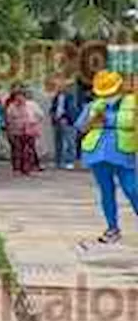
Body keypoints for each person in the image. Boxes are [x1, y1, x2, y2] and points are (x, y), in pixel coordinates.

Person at [76, 70, 138, 246]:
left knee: (132, 189)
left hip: (123, 152)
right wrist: (94, 119)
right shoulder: (94, 106)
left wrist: (109, 119)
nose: (108, 96)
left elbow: (130, 122)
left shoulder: (133, 103)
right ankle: (112, 228)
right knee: (106, 191)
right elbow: (81, 127)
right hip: (98, 153)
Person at [4, 87, 37, 176]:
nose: (20, 98)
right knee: (17, 150)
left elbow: (32, 117)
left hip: (27, 131)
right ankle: (17, 168)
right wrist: (9, 131)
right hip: (15, 131)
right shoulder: (11, 107)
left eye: (22, 96)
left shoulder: (28, 106)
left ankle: (26, 168)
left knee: (26, 151)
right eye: (18, 96)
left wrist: (32, 126)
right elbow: (8, 120)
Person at [51, 79, 80, 170]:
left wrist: (66, 118)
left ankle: (70, 161)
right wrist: (53, 115)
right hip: (57, 121)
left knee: (69, 142)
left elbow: (72, 110)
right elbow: (53, 108)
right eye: (58, 86)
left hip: (67, 122)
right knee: (58, 142)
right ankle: (58, 161)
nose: (59, 88)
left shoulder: (71, 97)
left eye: (61, 86)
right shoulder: (56, 97)